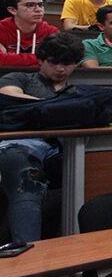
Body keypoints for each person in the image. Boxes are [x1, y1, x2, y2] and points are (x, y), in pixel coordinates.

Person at [0, 33, 84, 243]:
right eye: (53, 62)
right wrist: (58, 108)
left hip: (64, 146)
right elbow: (9, 95)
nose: (60, 69)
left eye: (67, 64)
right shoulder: (19, 78)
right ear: (41, 60)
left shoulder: (77, 91)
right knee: (27, 179)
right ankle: (27, 250)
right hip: (20, 144)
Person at [0, 0, 60, 67]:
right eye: (30, 5)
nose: (38, 10)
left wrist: (9, 58)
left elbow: (57, 59)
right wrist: (41, 59)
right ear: (13, 10)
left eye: (40, 5)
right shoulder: (2, 29)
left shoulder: (51, 32)